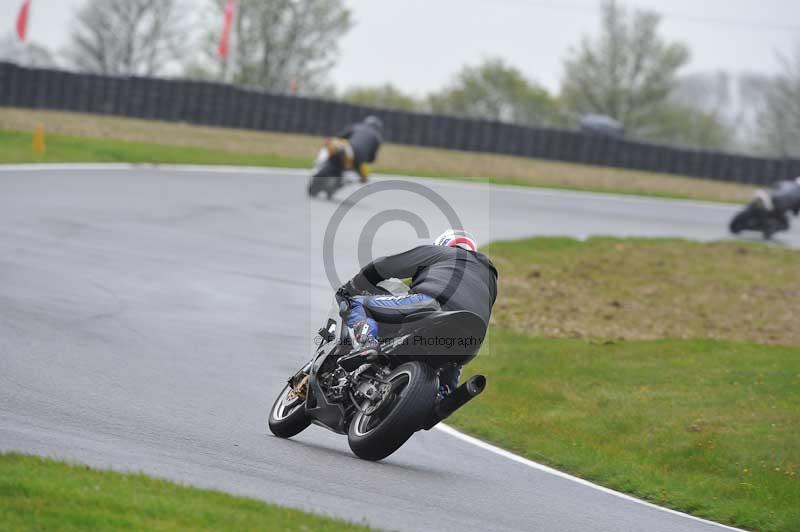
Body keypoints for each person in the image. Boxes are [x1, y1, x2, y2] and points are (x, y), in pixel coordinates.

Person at [338, 229, 498, 394]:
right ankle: (444, 397)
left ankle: (366, 342)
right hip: (472, 336)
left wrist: (358, 283)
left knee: (354, 303)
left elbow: (386, 265)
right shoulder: (490, 277)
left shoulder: (442, 252)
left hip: (430, 304)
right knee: (447, 378)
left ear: (443, 244)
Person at [331, 115, 384, 183]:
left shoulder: (356, 126)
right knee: (364, 179)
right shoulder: (377, 138)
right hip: (359, 159)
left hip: (346, 150)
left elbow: (340, 136)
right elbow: (372, 158)